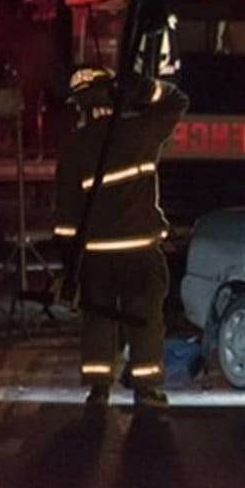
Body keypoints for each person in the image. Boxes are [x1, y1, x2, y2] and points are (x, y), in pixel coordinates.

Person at [53, 67, 188, 410]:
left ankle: (99, 389)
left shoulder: (74, 146)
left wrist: (69, 263)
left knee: (98, 320)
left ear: (80, 106)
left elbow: (66, 215)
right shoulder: (141, 132)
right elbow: (177, 100)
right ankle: (146, 390)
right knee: (145, 320)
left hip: (95, 254)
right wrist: (144, 87)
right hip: (141, 250)